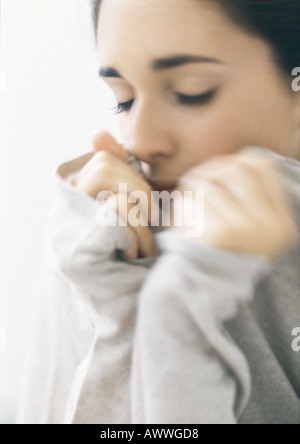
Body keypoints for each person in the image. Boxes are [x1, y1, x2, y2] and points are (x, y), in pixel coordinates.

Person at [17, 0, 300, 424]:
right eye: (123, 101)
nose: (141, 141)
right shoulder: (96, 230)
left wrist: (181, 310)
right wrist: (106, 303)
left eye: (192, 92)